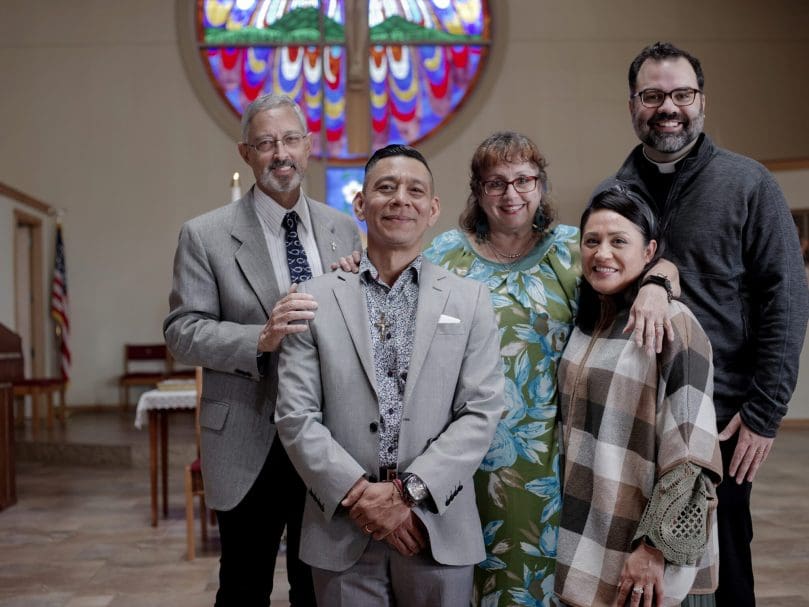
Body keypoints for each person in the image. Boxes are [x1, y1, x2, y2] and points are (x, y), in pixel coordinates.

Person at [594, 41, 809, 606]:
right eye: (653, 95)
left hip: (723, 420)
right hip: (636, 415)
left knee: (723, 563)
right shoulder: (614, 195)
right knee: (639, 566)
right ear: (633, 105)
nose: (669, 107)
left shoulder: (749, 185)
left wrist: (763, 414)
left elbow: (785, 299)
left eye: (682, 94)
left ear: (702, 102)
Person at [423, 131, 677, 606]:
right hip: (461, 450)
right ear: (477, 191)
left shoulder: (571, 251)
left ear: (541, 185)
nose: (511, 193)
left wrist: (658, 284)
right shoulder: (444, 257)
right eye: (495, 183)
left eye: (523, 180)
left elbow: (647, 260)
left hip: (552, 452)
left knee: (537, 580)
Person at [274, 144, 505, 607]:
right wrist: (364, 500)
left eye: (415, 190)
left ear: (433, 209)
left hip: (434, 527)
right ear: (360, 204)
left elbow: (481, 412)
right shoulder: (312, 298)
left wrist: (407, 496)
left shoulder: (469, 300)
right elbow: (296, 416)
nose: (401, 199)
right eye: (386, 187)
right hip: (343, 529)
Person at [163, 93, 362, 606]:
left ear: (309, 146)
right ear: (245, 153)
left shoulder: (343, 229)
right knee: (244, 586)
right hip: (248, 436)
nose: (281, 154)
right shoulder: (205, 235)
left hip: (326, 436)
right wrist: (260, 338)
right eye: (266, 143)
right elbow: (183, 330)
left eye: (291, 140)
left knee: (316, 586)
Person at [555, 185, 723, 607]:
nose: (602, 253)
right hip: (589, 542)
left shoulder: (674, 324)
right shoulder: (587, 322)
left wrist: (653, 549)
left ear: (650, 252)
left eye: (618, 241)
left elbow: (693, 453)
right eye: (592, 241)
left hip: (648, 557)